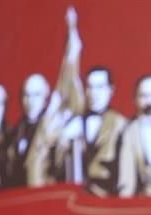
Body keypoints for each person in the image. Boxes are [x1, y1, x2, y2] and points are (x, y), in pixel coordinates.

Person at [27, 7, 126, 196]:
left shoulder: (121, 125)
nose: (94, 93)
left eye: (100, 88)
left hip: (107, 207)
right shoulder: (72, 122)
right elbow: (44, 162)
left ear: (111, 91)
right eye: (90, 87)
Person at [5, 73, 50, 189]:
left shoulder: (53, 130)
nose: (31, 101)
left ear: (45, 98)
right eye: (26, 95)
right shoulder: (14, 132)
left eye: (36, 95)